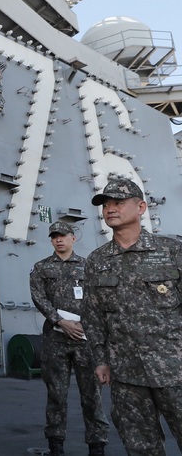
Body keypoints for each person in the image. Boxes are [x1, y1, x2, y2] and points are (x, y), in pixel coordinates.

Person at [83, 178, 182, 455]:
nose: (110, 209)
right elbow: (93, 316)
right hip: (126, 374)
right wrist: (100, 360)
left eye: (118, 202)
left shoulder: (171, 250)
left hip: (175, 369)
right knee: (140, 448)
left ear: (141, 207)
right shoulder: (97, 261)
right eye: (106, 204)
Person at [30, 221, 109, 456]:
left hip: (85, 339)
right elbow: (38, 297)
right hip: (56, 340)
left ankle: (97, 446)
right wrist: (60, 321)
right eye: (54, 236)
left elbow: (98, 299)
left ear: (73, 238)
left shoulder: (88, 267)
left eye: (63, 235)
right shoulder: (41, 268)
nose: (59, 239)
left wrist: (86, 324)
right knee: (56, 395)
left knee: (92, 395)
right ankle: (56, 445)